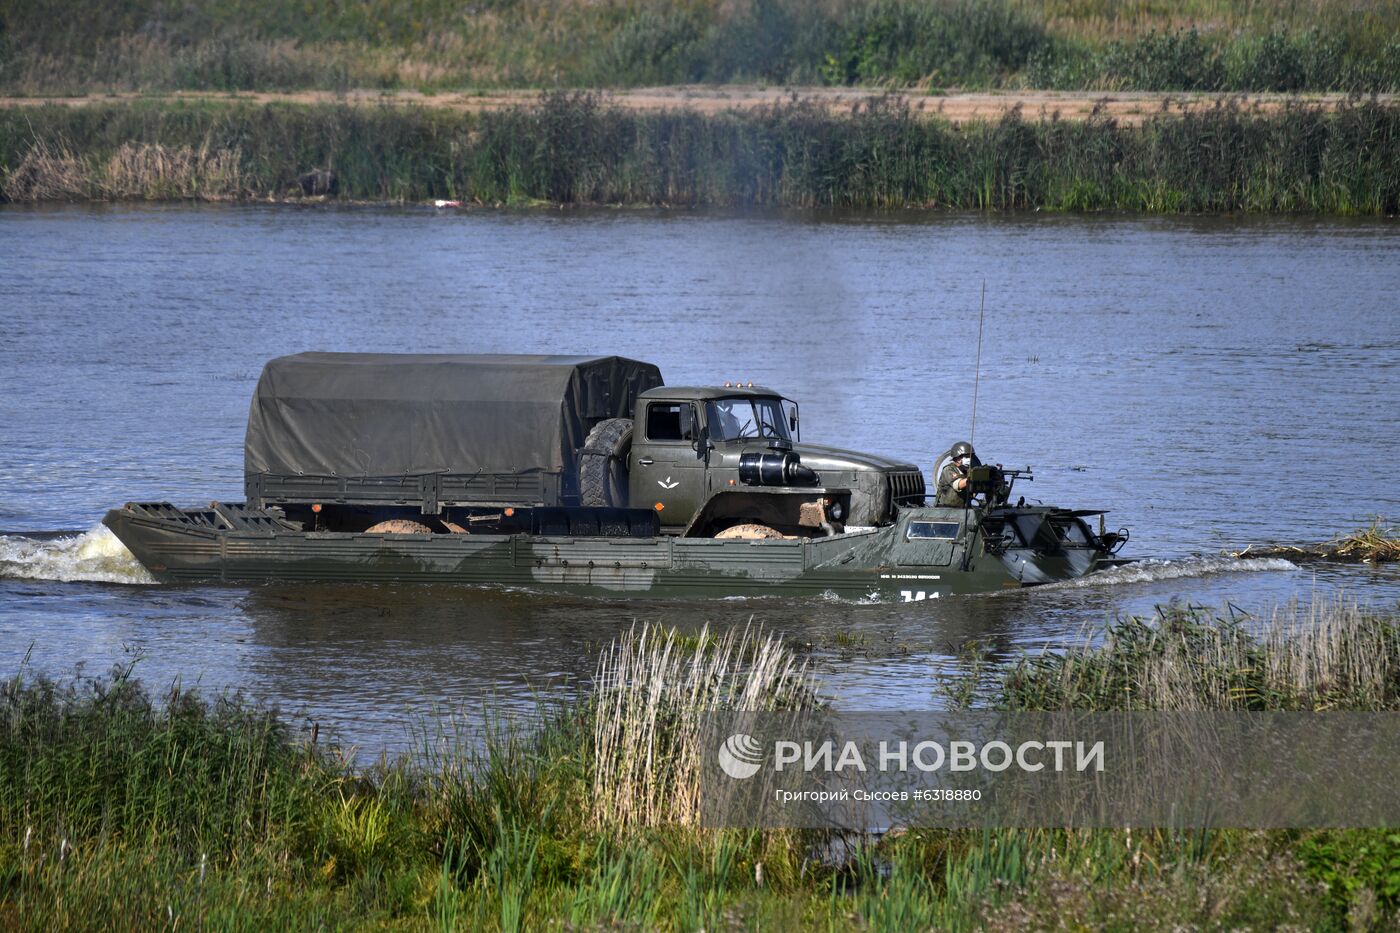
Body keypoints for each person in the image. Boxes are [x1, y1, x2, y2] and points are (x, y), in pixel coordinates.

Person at [936, 441, 977, 507]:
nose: (969, 459)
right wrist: (973, 478)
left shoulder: (968, 470)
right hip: (946, 507)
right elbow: (958, 485)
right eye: (966, 456)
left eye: (970, 456)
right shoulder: (948, 469)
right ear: (958, 458)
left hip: (964, 507)